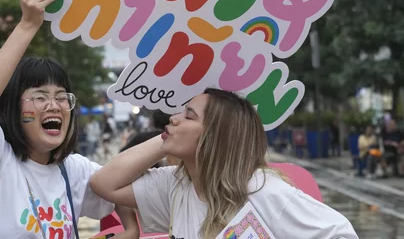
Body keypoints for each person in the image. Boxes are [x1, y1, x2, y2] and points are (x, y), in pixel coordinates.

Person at [0, 0, 138, 239]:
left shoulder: (72, 169)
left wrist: (131, 230)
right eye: (40, 96)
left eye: (61, 96)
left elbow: (120, 183)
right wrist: (28, 25)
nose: (54, 105)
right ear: (15, 107)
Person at [90, 88, 357, 238]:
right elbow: (105, 183)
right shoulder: (176, 185)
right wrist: (167, 137)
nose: (173, 117)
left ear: (215, 135)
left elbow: (341, 234)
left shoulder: (261, 190)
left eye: (189, 116)